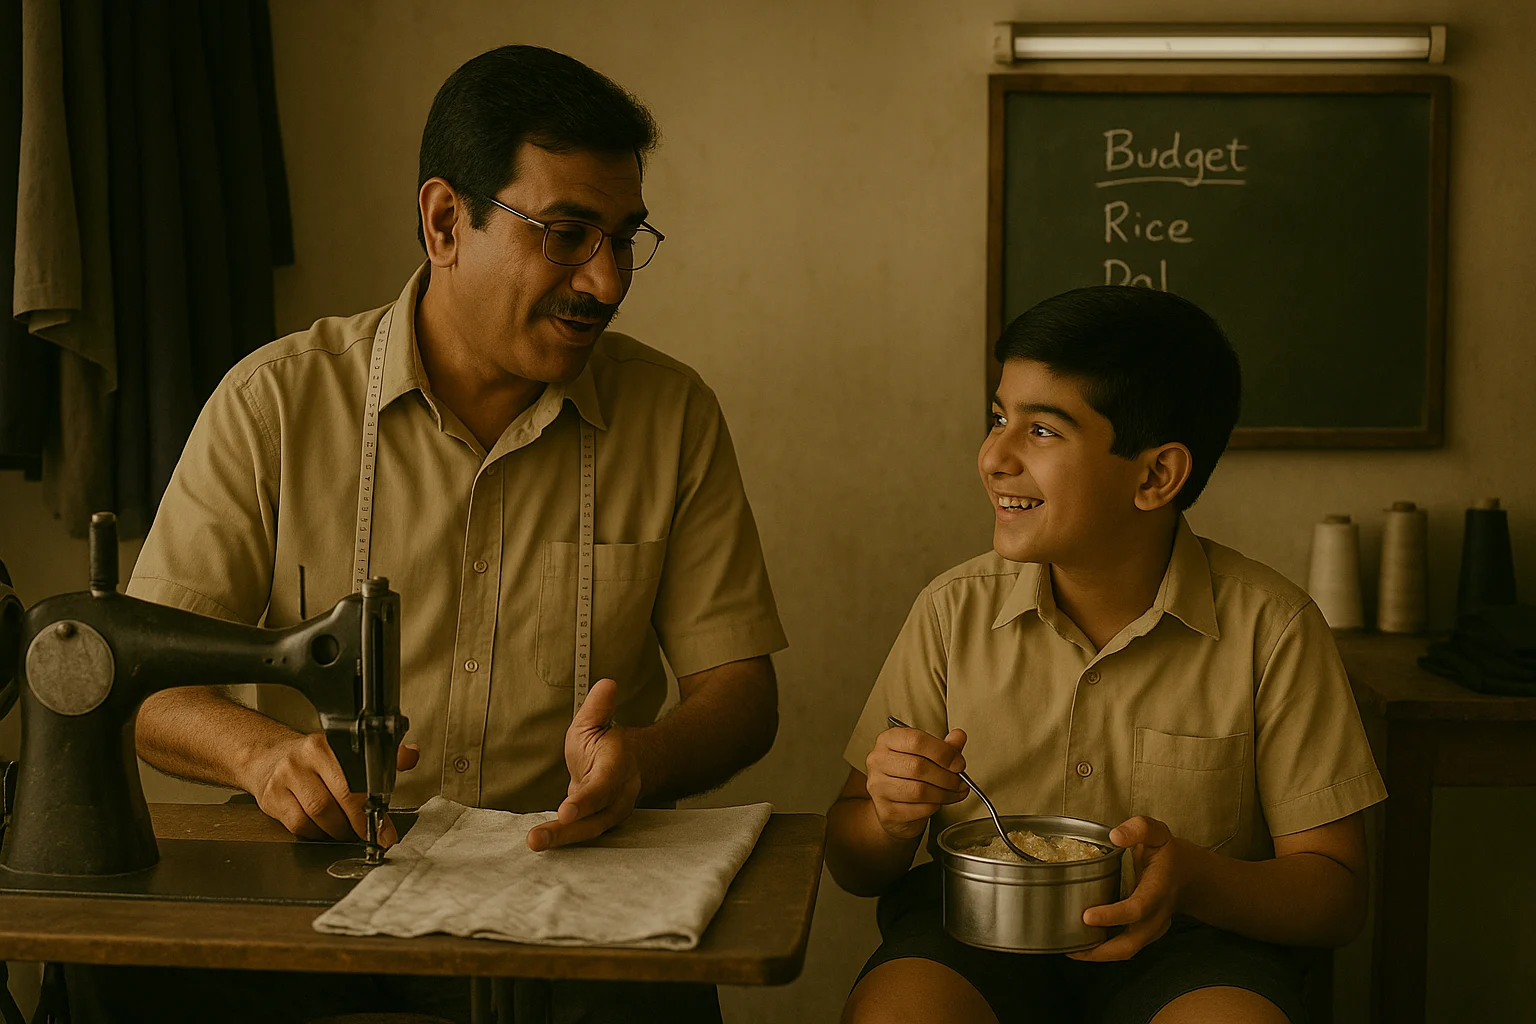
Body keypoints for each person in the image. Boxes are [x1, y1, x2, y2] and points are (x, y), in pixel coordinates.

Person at [87, 45, 786, 1024]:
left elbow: (741, 692)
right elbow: (147, 678)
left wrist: (645, 759)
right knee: (123, 988)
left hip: (564, 887)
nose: (609, 283)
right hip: (318, 878)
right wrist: (261, 758)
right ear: (445, 221)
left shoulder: (670, 416)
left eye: (626, 237)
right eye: (568, 234)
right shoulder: (276, 404)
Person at [826, 286, 1385, 1024]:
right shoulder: (952, 609)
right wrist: (889, 820)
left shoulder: (1273, 629)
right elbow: (850, 860)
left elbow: (1337, 896)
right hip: (977, 935)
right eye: (999, 418)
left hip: (1199, 945)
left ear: (1156, 476)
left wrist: (1194, 879)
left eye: (1044, 432)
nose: (994, 456)